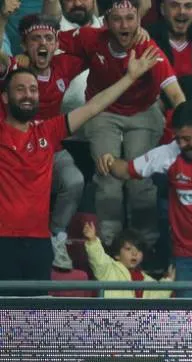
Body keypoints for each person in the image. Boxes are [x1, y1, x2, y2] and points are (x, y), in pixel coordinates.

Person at [0, 47, 163, 294]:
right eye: (20, 89)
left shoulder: (47, 131)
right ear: (5, 98)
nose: (28, 95)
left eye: (33, 89)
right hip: (3, 241)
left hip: (39, 243)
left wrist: (129, 78)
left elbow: (94, 106)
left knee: (36, 313)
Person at [57, 0, 186, 248]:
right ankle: (109, 246)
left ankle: (146, 246)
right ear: (106, 22)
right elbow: (51, 40)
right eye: (117, 19)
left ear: (139, 20)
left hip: (143, 112)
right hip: (103, 110)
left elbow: (176, 95)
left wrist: (190, 125)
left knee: (140, 177)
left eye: (130, 18)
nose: (124, 25)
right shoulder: (90, 37)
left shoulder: (148, 48)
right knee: (108, 178)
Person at [95, 101, 192, 297]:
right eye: (178, 138)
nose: (181, 145)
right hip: (188, 259)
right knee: (188, 316)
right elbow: (127, 170)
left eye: (187, 139)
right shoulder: (168, 153)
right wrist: (109, 161)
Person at [10, 14, 87, 270]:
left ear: (56, 44)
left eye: (48, 38)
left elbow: (98, 47)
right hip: (15, 149)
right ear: (24, 44)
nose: (42, 43)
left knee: (74, 180)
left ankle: (56, 235)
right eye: (35, 39)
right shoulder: (14, 71)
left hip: (51, 145)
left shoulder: (65, 65)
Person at [82, 221, 174, 298]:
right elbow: (98, 258)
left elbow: (157, 296)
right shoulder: (108, 269)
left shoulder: (146, 280)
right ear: (117, 255)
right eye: (128, 249)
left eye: (139, 250)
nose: (134, 253)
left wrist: (168, 280)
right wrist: (92, 240)